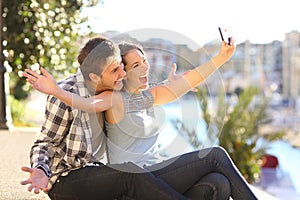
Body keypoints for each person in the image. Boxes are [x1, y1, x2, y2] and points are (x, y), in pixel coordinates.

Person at [23, 35, 258, 200]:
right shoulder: (106, 98)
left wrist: (221, 57)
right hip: (108, 178)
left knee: (219, 183)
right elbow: (86, 105)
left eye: (142, 61)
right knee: (215, 155)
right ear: (98, 76)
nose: (125, 72)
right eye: (126, 67)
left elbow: (178, 86)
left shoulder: (135, 98)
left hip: (147, 174)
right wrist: (56, 91)